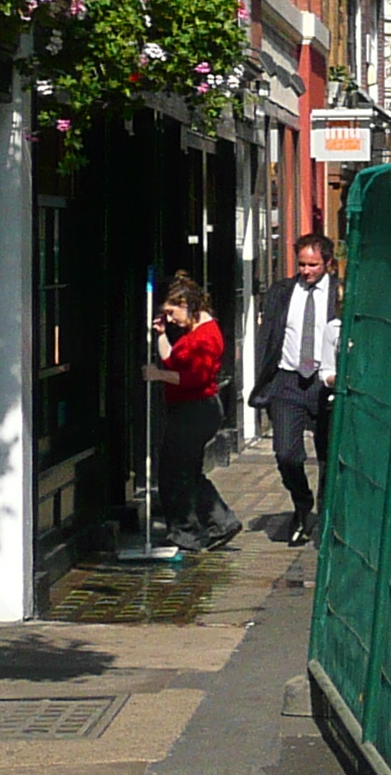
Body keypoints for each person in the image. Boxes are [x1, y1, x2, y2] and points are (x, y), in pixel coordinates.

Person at [254, 233, 341, 543]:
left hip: (326, 382)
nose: (306, 271)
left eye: (313, 265)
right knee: (286, 453)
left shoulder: (341, 293)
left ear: (328, 263)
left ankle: (325, 515)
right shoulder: (282, 292)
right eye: (302, 264)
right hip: (288, 381)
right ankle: (301, 502)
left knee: (329, 457)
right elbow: (269, 337)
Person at [141, 273, 239, 547]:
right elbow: (173, 360)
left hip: (196, 410)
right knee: (185, 470)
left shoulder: (206, 338)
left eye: (172, 313)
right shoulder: (193, 333)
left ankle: (188, 531)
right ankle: (219, 522)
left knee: (177, 472)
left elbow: (193, 378)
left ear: (187, 304)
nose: (170, 319)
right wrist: (161, 336)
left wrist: (157, 375)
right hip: (189, 409)